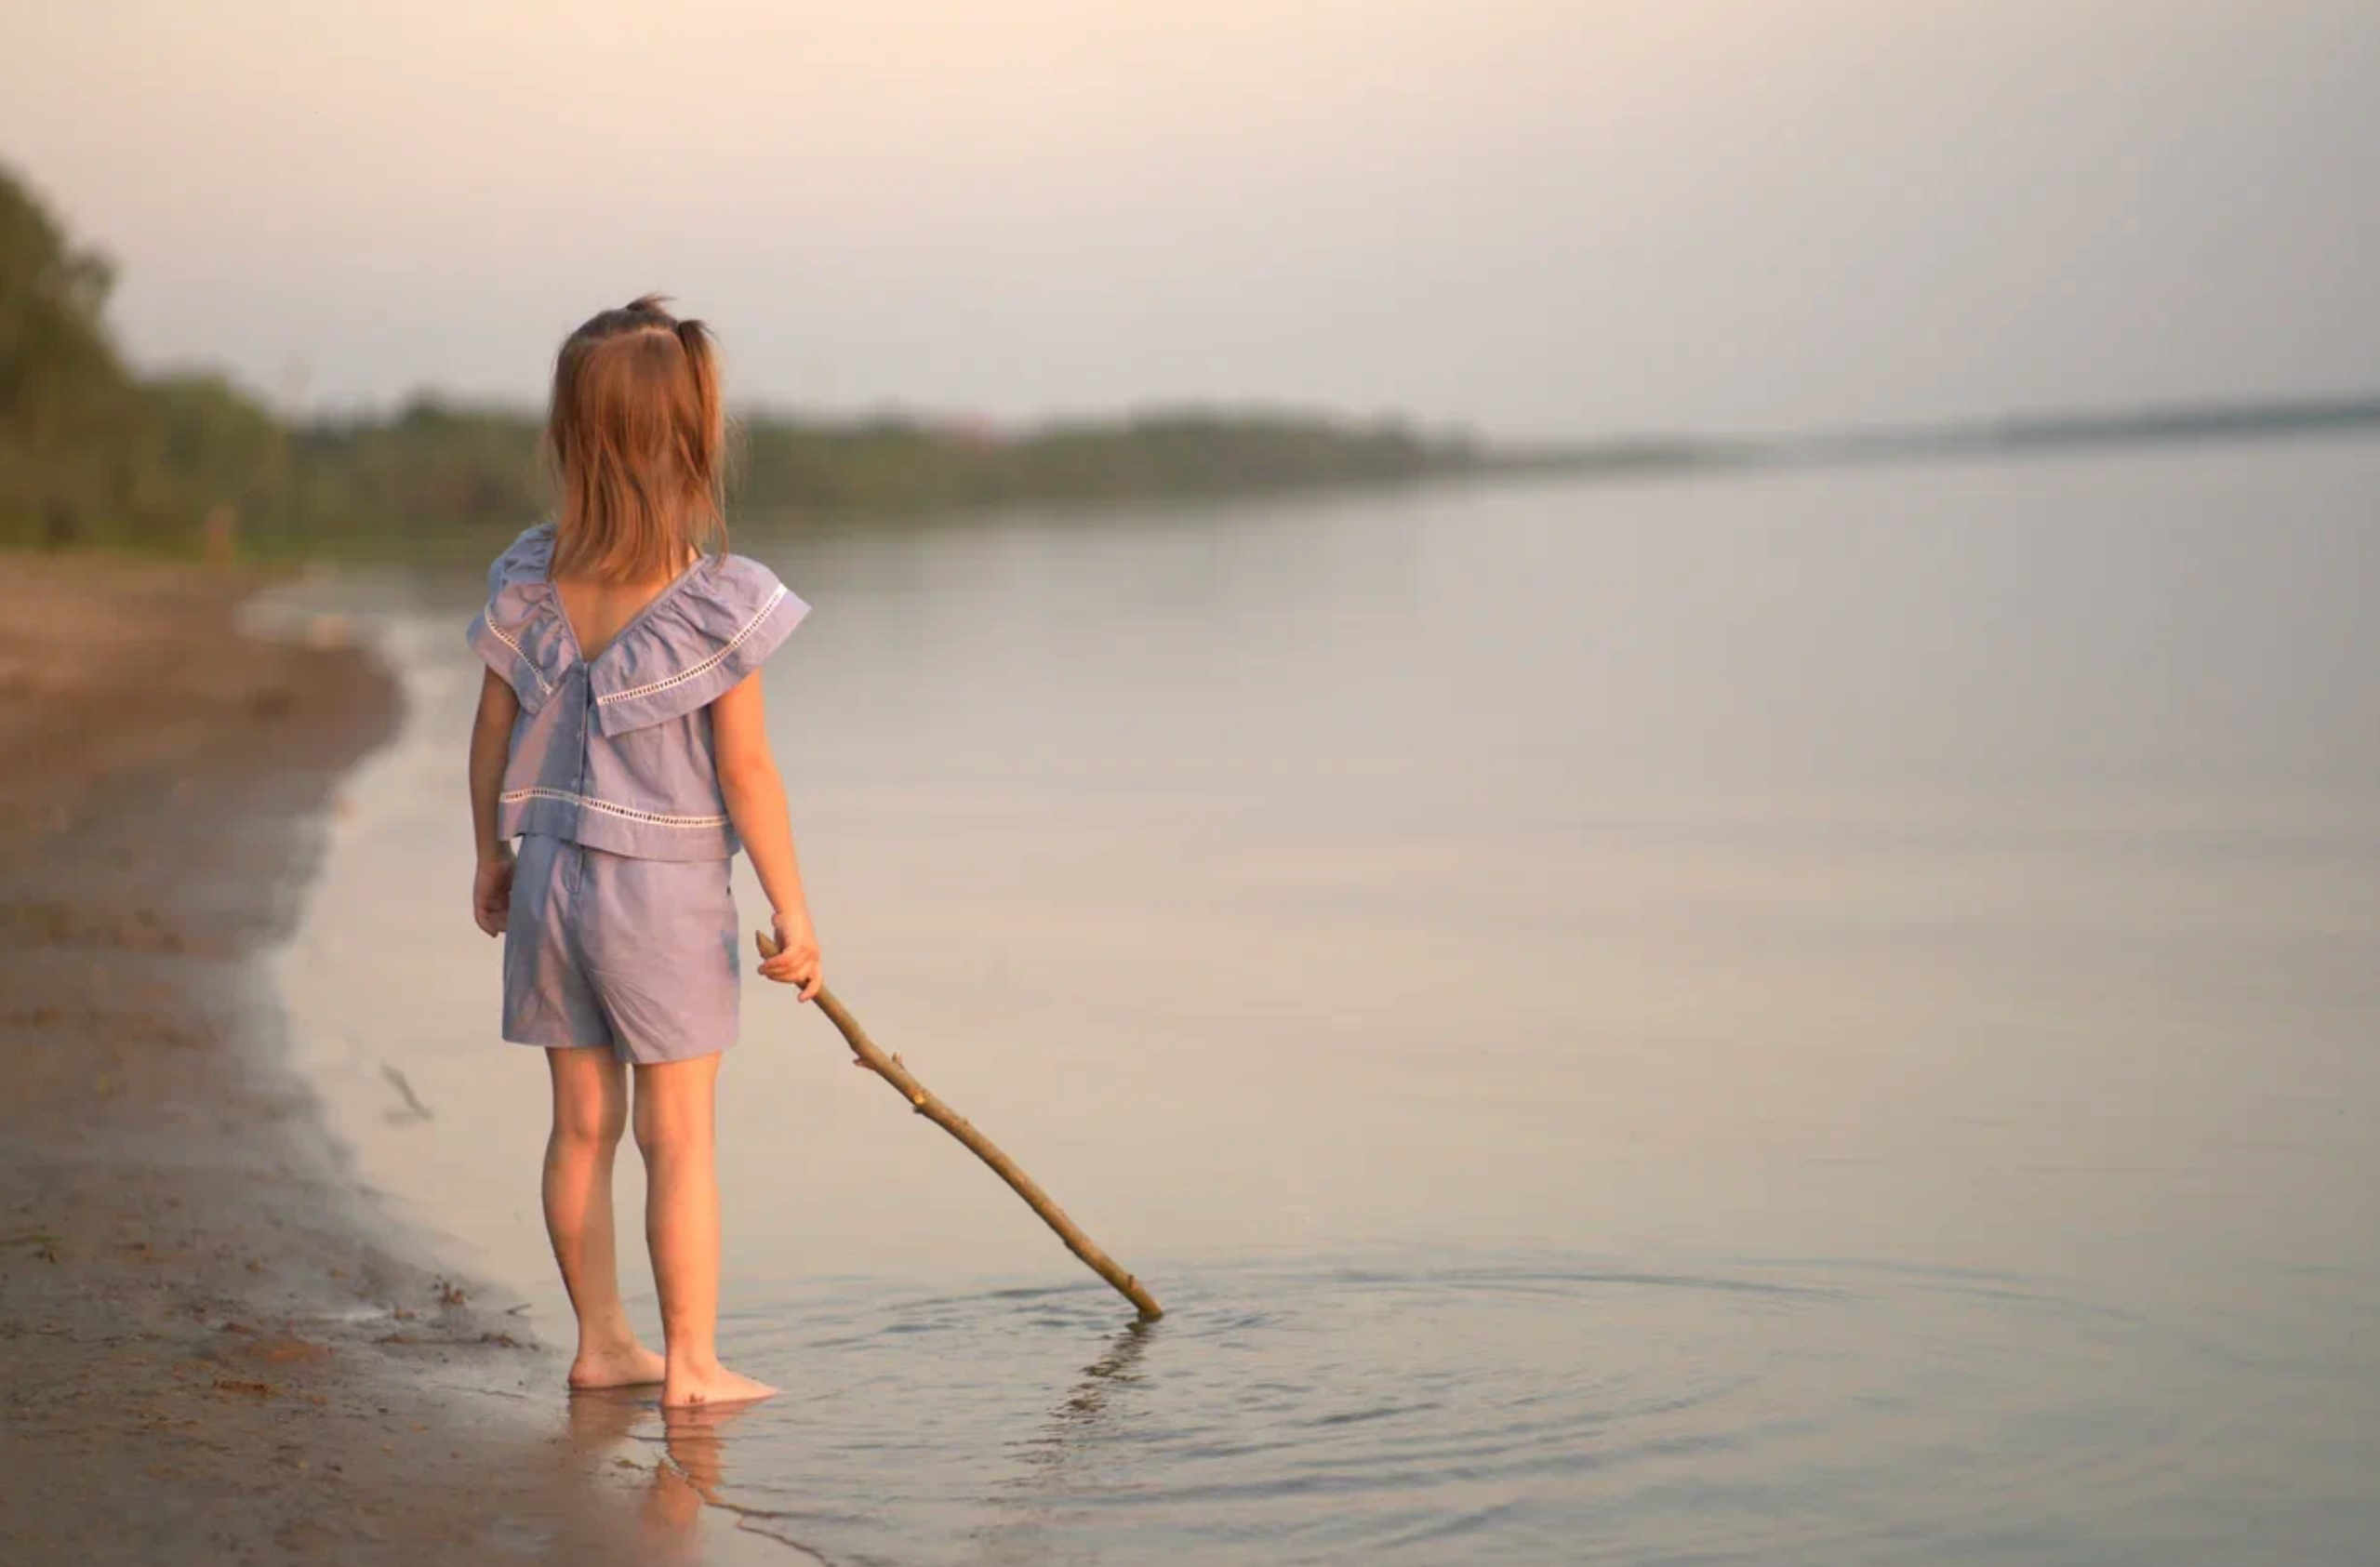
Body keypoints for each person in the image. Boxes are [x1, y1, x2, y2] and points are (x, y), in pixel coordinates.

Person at [464, 295, 820, 1408]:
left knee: (580, 1123)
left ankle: (604, 1342)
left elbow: (488, 732)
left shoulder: (530, 576)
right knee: (678, 1135)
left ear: (573, 436)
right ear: (691, 439)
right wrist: (796, 912)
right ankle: (694, 1365)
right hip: (660, 897)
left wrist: (490, 851)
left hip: (549, 880)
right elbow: (749, 773)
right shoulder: (713, 600)